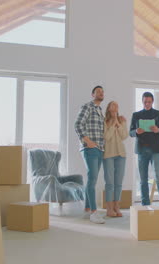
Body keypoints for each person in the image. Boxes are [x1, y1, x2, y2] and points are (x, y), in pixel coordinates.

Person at [129, 92, 159, 215]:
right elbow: (130, 132)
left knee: (158, 177)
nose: (147, 104)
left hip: (155, 150)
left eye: (149, 102)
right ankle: (145, 205)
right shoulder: (136, 115)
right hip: (142, 150)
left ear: (152, 102)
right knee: (143, 179)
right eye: (145, 102)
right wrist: (136, 131)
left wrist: (158, 130)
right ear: (142, 101)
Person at [74, 85, 105, 224]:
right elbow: (78, 124)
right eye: (98, 92)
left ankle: (87, 209)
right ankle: (93, 212)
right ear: (92, 95)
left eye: (102, 92)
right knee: (92, 179)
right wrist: (87, 141)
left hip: (99, 149)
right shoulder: (87, 107)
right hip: (89, 148)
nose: (101, 93)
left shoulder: (100, 110)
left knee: (92, 179)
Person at [103, 101, 128, 217]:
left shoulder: (122, 120)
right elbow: (107, 137)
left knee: (118, 183)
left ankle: (116, 206)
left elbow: (124, 136)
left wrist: (118, 123)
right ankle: (109, 208)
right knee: (110, 183)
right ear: (109, 109)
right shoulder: (104, 121)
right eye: (113, 106)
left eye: (117, 106)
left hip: (121, 155)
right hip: (108, 154)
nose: (115, 108)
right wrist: (113, 124)